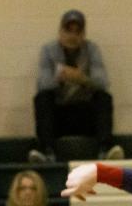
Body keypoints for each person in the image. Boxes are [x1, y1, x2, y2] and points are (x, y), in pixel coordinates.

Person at [30, 10, 123, 163]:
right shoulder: (48, 50)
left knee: (104, 97)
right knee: (42, 99)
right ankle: (46, 150)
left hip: (84, 115)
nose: (72, 36)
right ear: (60, 32)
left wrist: (83, 79)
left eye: (77, 32)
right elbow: (42, 84)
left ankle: (105, 149)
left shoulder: (92, 49)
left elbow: (103, 83)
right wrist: (60, 79)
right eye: (68, 31)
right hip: (59, 117)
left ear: (83, 34)